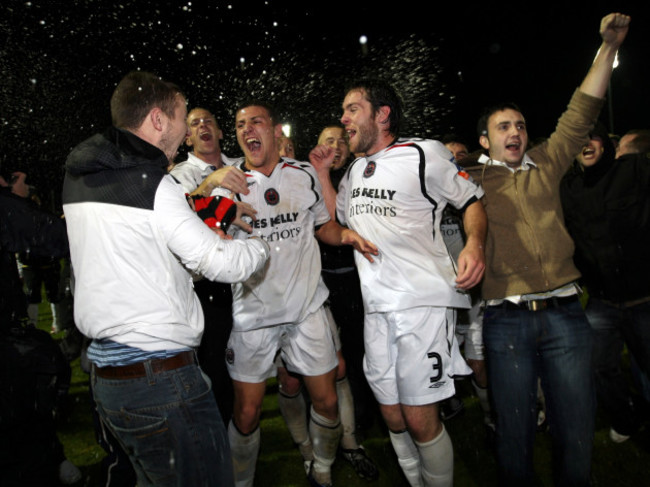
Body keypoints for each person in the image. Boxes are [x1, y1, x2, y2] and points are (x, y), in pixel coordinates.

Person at [62, 71, 270, 487]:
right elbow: (220, 263)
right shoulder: (152, 184)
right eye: (180, 118)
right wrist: (261, 248)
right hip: (159, 381)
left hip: (108, 381)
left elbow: (137, 258)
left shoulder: (78, 179)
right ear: (157, 120)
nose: (183, 133)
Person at [463, 13, 630, 486]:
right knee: (514, 431)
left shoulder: (548, 161)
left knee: (576, 429)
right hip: (506, 320)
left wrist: (609, 47)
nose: (514, 132)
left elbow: (582, 110)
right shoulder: (469, 180)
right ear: (485, 140)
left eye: (519, 124)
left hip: (564, 314)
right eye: (502, 127)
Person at [334, 80, 487, 487]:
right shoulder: (351, 172)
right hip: (377, 308)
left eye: (352, 109)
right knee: (392, 415)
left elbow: (470, 202)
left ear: (382, 114)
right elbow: (337, 225)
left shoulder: (424, 153)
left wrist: (474, 243)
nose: (343, 119)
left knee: (420, 419)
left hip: (422, 303)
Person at [225, 100, 377, 487]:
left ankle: (321, 469)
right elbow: (211, 242)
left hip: (305, 308)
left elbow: (322, 226)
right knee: (246, 413)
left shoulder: (304, 174)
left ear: (276, 131)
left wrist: (343, 235)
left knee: (326, 401)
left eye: (256, 121)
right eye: (241, 124)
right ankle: (241, 482)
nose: (247, 129)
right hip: (252, 314)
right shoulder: (227, 182)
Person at [277, 124, 378, 482]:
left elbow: (336, 224)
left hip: (348, 284)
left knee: (341, 367)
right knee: (292, 378)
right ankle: (310, 449)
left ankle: (350, 441)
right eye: (326, 141)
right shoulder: (294, 178)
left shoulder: (356, 175)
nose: (335, 145)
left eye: (340, 140)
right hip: (302, 291)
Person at [561, 121, 650, 443]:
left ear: (605, 144)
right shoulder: (567, 187)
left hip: (644, 299)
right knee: (599, 368)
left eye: (593, 137)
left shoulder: (633, 170)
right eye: (579, 139)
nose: (586, 144)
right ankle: (627, 418)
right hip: (601, 302)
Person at [169, 107, 250, 422]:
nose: (203, 125)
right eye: (194, 123)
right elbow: (180, 218)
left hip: (248, 281)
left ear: (219, 132)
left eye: (209, 121)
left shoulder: (242, 166)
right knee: (217, 370)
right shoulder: (179, 176)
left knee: (251, 369)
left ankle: (245, 429)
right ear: (188, 138)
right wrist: (210, 183)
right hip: (209, 289)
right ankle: (224, 449)